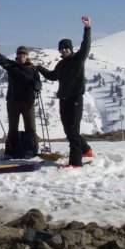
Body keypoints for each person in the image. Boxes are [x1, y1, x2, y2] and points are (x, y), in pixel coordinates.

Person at [36, 15, 94, 167]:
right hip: (64, 100)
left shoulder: (78, 59)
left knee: (73, 132)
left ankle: (75, 163)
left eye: (66, 47)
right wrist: (38, 68)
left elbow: (86, 45)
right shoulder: (61, 64)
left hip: (75, 99)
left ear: (71, 48)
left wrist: (87, 28)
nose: (64, 50)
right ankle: (86, 150)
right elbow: (52, 76)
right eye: (61, 48)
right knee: (69, 131)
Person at [0, 35, 41, 158]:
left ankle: (31, 151)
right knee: (13, 129)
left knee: (31, 129)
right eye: (20, 53)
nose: (22, 55)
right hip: (13, 102)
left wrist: (38, 85)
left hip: (28, 102)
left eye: (24, 53)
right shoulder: (11, 66)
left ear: (27, 56)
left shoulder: (33, 69)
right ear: (17, 55)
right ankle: (10, 152)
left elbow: (39, 84)